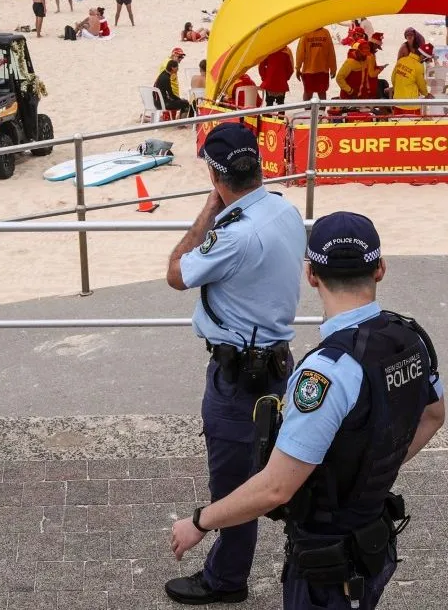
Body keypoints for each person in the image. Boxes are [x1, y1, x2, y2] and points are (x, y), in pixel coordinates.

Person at [170, 209, 445, 610]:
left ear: (312, 275)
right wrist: (370, 474)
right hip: (374, 539)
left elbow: (276, 487)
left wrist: (198, 522)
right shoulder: (410, 338)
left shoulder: (326, 372)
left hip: (327, 563)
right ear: (381, 269)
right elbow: (434, 416)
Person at [162, 122, 305, 604]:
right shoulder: (284, 211)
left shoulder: (234, 235)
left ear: (214, 173)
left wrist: (210, 205)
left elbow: (176, 273)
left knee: (232, 480)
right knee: (262, 464)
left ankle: (226, 580)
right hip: (275, 365)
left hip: (237, 376)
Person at [391, 41, 435, 115]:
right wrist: (426, 94)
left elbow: (393, 78)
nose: (423, 62)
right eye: (425, 60)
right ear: (422, 57)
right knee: (412, 125)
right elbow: (421, 84)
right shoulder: (418, 66)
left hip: (397, 102)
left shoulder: (401, 60)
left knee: (398, 125)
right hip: (411, 105)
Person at [296, 26, 337, 101]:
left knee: (309, 93)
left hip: (310, 71)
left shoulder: (306, 33)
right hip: (321, 70)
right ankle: (315, 112)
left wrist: (298, 68)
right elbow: (331, 52)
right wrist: (333, 68)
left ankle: (314, 112)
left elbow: (300, 53)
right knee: (320, 93)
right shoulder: (325, 33)